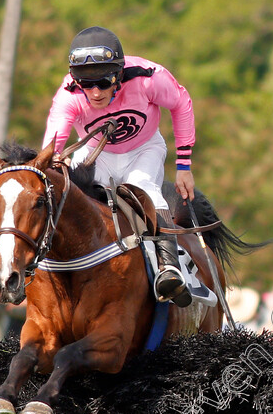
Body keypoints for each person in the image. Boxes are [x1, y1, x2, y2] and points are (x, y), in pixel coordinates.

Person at [42, 26, 195, 307]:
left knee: (144, 187)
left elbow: (181, 103)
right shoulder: (69, 94)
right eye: (86, 84)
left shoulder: (148, 78)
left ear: (119, 74)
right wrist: (54, 159)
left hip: (144, 148)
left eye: (103, 81)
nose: (95, 92)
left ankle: (168, 268)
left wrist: (184, 165)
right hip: (94, 152)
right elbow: (53, 142)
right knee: (69, 196)